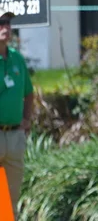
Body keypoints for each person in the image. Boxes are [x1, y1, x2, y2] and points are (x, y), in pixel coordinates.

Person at [0, 11, 34, 219]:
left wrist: (27, 119)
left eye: (8, 23)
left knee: (10, 202)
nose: (5, 28)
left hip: (14, 137)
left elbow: (28, 94)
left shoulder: (17, 59)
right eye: (0, 23)